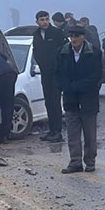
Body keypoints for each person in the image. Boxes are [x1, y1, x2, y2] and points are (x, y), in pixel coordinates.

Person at [56, 25, 102, 173]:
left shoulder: (94, 53)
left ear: (83, 37)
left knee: (90, 134)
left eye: (77, 36)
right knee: (73, 133)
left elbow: (96, 76)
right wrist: (65, 87)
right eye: (72, 36)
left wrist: (79, 86)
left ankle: (90, 162)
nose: (74, 39)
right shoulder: (62, 52)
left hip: (88, 99)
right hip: (70, 99)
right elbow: (58, 74)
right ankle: (75, 162)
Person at [32, 11, 67, 142]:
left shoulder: (56, 33)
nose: (45, 22)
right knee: (48, 102)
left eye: (46, 19)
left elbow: (64, 51)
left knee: (55, 102)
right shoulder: (36, 35)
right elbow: (36, 52)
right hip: (45, 73)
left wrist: (58, 66)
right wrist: (42, 65)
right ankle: (51, 130)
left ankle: (57, 132)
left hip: (56, 73)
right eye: (42, 19)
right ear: (37, 21)